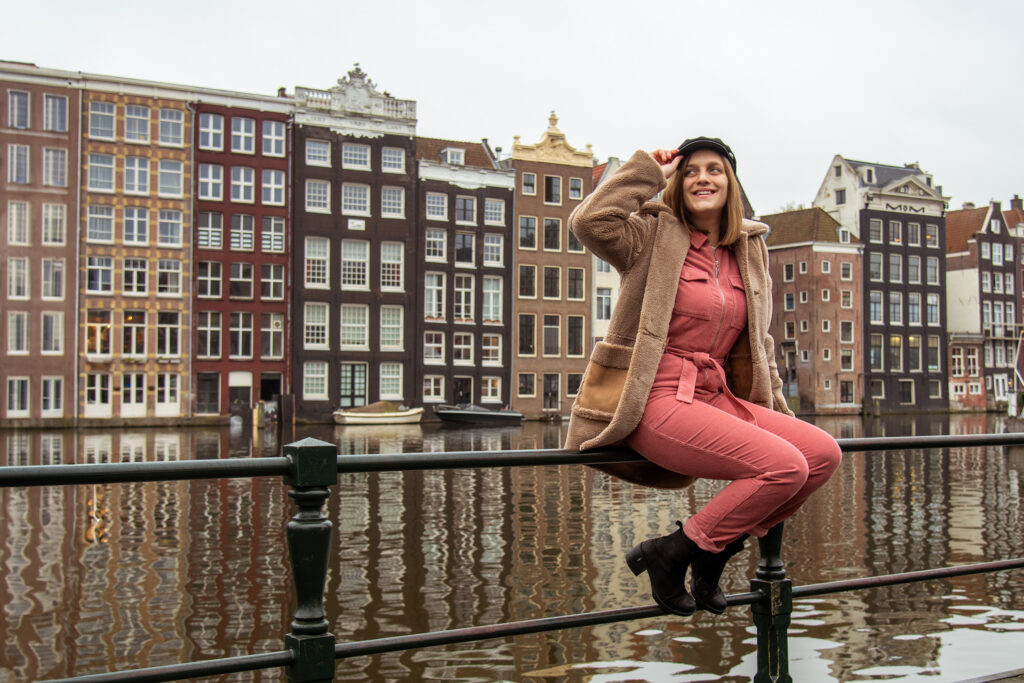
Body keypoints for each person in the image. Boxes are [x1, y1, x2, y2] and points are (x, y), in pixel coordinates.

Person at [563, 137, 841, 616]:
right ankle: (672, 554)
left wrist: (778, 411)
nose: (702, 178)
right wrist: (648, 170)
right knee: (784, 467)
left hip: (715, 395)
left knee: (820, 454)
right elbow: (588, 222)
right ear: (679, 183)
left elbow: (760, 345)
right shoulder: (650, 236)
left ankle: (706, 552)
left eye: (715, 170)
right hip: (656, 394)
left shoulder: (748, 250)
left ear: (731, 184)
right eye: (691, 171)